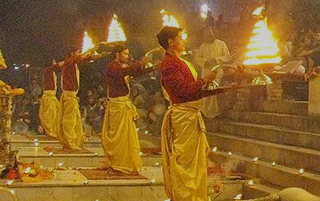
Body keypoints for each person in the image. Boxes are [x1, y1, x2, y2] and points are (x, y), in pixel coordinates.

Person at [158, 26, 218, 201]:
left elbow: (192, 90)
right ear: (171, 42)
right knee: (185, 163)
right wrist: (204, 80)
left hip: (191, 115)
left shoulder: (183, 61)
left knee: (197, 164)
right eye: (180, 38)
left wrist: (210, 86)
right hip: (183, 117)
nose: (184, 41)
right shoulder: (169, 64)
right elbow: (183, 90)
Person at [102, 45, 151, 174]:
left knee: (126, 136)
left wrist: (153, 67)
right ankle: (116, 163)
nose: (128, 56)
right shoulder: (112, 67)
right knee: (117, 137)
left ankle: (126, 163)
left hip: (124, 104)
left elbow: (135, 72)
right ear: (117, 54)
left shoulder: (124, 66)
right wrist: (140, 62)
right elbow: (125, 72)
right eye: (125, 54)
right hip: (117, 105)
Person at [191, 25, 231, 119]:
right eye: (206, 34)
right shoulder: (203, 46)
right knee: (205, 93)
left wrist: (216, 60)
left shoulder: (221, 44)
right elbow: (197, 57)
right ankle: (205, 113)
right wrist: (205, 62)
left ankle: (215, 113)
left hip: (217, 72)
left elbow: (227, 57)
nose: (207, 35)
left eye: (209, 33)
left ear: (213, 33)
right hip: (206, 73)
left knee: (213, 92)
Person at [59, 47, 94, 150]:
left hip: (72, 96)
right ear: (72, 53)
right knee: (69, 120)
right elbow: (80, 58)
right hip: (69, 96)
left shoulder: (73, 63)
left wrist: (97, 55)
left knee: (74, 120)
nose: (79, 53)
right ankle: (69, 142)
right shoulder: (69, 62)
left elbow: (84, 59)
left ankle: (74, 141)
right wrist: (92, 48)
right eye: (77, 52)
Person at [39, 62, 61, 139]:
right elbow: (58, 65)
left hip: (52, 97)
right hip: (49, 97)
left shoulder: (52, 72)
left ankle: (55, 131)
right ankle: (51, 132)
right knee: (50, 116)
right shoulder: (47, 70)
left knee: (56, 115)